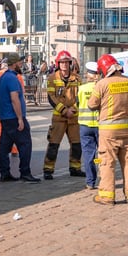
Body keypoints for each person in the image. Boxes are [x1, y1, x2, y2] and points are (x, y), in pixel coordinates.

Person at [88, 54, 128, 205]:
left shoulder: (102, 84)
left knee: (107, 162)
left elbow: (91, 104)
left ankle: (107, 196)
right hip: (127, 129)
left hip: (108, 131)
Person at [0, 52, 41, 183]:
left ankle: (4, 173)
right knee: (25, 144)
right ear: (15, 63)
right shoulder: (12, 78)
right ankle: (25, 172)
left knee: (5, 146)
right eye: (20, 63)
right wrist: (20, 118)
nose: (21, 64)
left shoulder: (3, 77)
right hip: (13, 118)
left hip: (5, 117)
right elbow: (14, 98)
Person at [43, 50, 85, 179]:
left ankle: (75, 168)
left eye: (66, 62)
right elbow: (51, 97)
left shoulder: (77, 78)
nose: (64, 65)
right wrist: (64, 110)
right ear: (58, 64)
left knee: (77, 144)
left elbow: (80, 96)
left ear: (70, 63)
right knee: (54, 144)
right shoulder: (52, 78)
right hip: (59, 118)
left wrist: (72, 109)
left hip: (73, 117)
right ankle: (48, 170)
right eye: (62, 62)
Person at [77, 61, 100, 190]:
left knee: (88, 154)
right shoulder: (100, 87)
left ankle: (90, 182)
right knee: (102, 154)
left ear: (88, 75)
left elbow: (78, 104)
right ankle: (104, 179)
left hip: (85, 126)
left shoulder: (81, 89)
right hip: (99, 125)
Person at [0, 60, 19, 156]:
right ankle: (14, 150)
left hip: (3, 107)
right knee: (14, 128)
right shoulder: (17, 75)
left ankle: (1, 149)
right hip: (15, 107)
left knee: (0, 127)